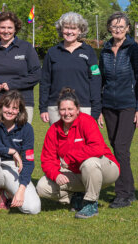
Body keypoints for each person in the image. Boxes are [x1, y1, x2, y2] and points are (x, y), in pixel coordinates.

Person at [36, 88, 119, 219]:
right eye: (63, 109)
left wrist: (70, 157)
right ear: (58, 111)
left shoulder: (87, 121)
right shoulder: (54, 130)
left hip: (106, 169)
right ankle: (76, 196)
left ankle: (91, 203)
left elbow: (97, 148)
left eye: (70, 109)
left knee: (89, 163)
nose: (66, 113)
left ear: (77, 109)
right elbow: (47, 160)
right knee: (42, 186)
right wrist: (56, 174)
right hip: (76, 173)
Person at [98, 12, 138, 208]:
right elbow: (101, 79)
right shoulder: (105, 49)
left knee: (121, 148)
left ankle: (123, 194)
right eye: (114, 26)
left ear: (128, 29)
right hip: (109, 105)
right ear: (109, 28)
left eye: (121, 27)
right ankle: (129, 189)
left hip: (128, 105)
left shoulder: (134, 49)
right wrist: (99, 108)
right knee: (116, 148)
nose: (117, 30)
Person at [0, 90, 41, 218]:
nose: (10, 111)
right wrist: (11, 151)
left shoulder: (26, 128)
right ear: (0, 106)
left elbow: (28, 160)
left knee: (33, 208)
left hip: (12, 166)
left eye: (15, 108)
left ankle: (6, 194)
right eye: (7, 106)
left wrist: (21, 189)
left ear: (19, 111)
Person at [0, 12, 41, 124]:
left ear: (15, 29)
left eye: (10, 27)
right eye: (3, 27)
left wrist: (12, 84)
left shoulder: (26, 48)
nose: (6, 31)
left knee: (20, 139)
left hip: (22, 103)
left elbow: (37, 74)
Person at [39, 12, 101, 125]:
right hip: (56, 107)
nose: (69, 32)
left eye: (73, 28)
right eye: (66, 27)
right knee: (60, 142)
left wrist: (96, 109)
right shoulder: (52, 52)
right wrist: (43, 108)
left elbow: (95, 81)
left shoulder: (89, 52)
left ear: (80, 30)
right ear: (61, 29)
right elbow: (45, 82)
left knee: (81, 142)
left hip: (83, 107)